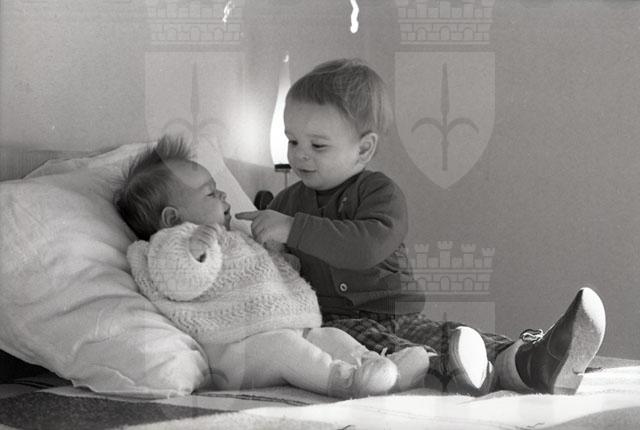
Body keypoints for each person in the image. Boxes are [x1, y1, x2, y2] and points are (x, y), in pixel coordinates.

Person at [236, 58, 606, 395]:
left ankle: (530, 358)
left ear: (363, 150)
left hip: (397, 312)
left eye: (318, 145)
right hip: (337, 323)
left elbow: (367, 247)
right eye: (292, 140)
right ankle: (459, 370)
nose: (299, 153)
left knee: (451, 335)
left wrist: (293, 229)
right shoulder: (285, 203)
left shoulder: (379, 193)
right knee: (387, 350)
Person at [114, 134, 440, 399]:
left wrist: (277, 253)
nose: (223, 194)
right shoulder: (168, 246)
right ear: (173, 218)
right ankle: (347, 382)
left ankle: (380, 367)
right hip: (238, 352)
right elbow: (177, 281)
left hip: (284, 325)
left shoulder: (234, 237)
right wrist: (195, 251)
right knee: (285, 349)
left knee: (329, 335)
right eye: (210, 193)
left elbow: (269, 273)